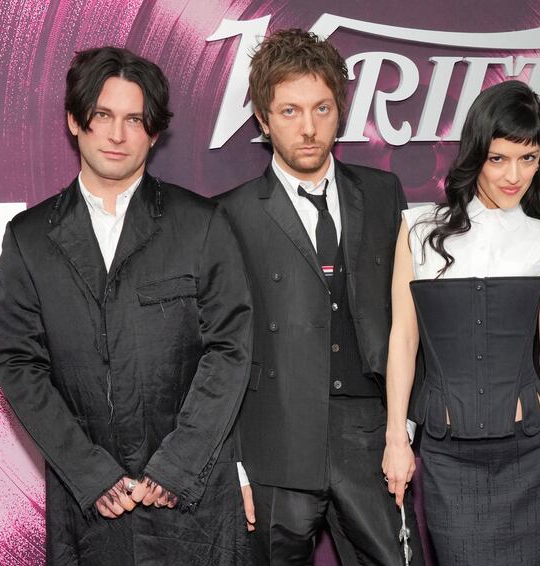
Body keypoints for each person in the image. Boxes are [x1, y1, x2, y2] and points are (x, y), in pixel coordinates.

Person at [0, 47, 253, 565]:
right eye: (103, 116)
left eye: (135, 119)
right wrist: (90, 472)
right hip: (92, 504)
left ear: (154, 132)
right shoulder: (30, 238)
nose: (117, 135)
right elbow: (18, 362)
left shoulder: (201, 224)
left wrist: (175, 467)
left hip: (191, 495)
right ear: (75, 120)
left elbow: (230, 347)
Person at [218, 28, 423, 565]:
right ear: (262, 119)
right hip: (274, 442)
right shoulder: (228, 214)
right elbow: (218, 345)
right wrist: (235, 464)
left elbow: (408, 318)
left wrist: (402, 428)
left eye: (321, 108)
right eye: (288, 112)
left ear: (341, 110)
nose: (308, 129)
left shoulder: (383, 194)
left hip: (370, 435)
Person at [382, 80, 540, 565]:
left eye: (529, 158)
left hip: (534, 456)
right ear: (476, 153)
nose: (513, 175)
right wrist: (397, 436)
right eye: (498, 158)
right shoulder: (419, 230)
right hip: (448, 459)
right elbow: (403, 338)